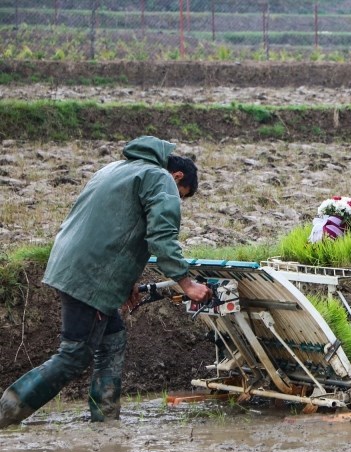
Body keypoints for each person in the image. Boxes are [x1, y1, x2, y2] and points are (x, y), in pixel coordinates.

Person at [0, 136, 212, 428]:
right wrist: (187, 284)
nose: (178, 199)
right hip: (93, 275)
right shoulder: (160, 178)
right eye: (181, 194)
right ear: (177, 176)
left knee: (113, 339)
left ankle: (105, 421)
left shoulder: (114, 169)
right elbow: (161, 237)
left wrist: (125, 281)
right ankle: (6, 413)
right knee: (74, 355)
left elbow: (117, 228)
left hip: (72, 265)